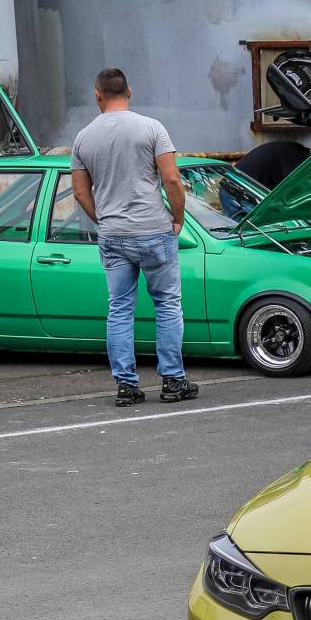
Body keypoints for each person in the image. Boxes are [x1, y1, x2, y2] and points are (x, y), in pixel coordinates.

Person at [68, 67, 194, 407]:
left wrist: (104, 219)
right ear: (129, 92)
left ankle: (126, 386)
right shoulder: (152, 128)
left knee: (120, 309)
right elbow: (172, 180)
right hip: (153, 230)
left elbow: (80, 192)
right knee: (167, 304)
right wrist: (178, 218)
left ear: (97, 94)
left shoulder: (83, 138)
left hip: (113, 235)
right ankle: (173, 381)